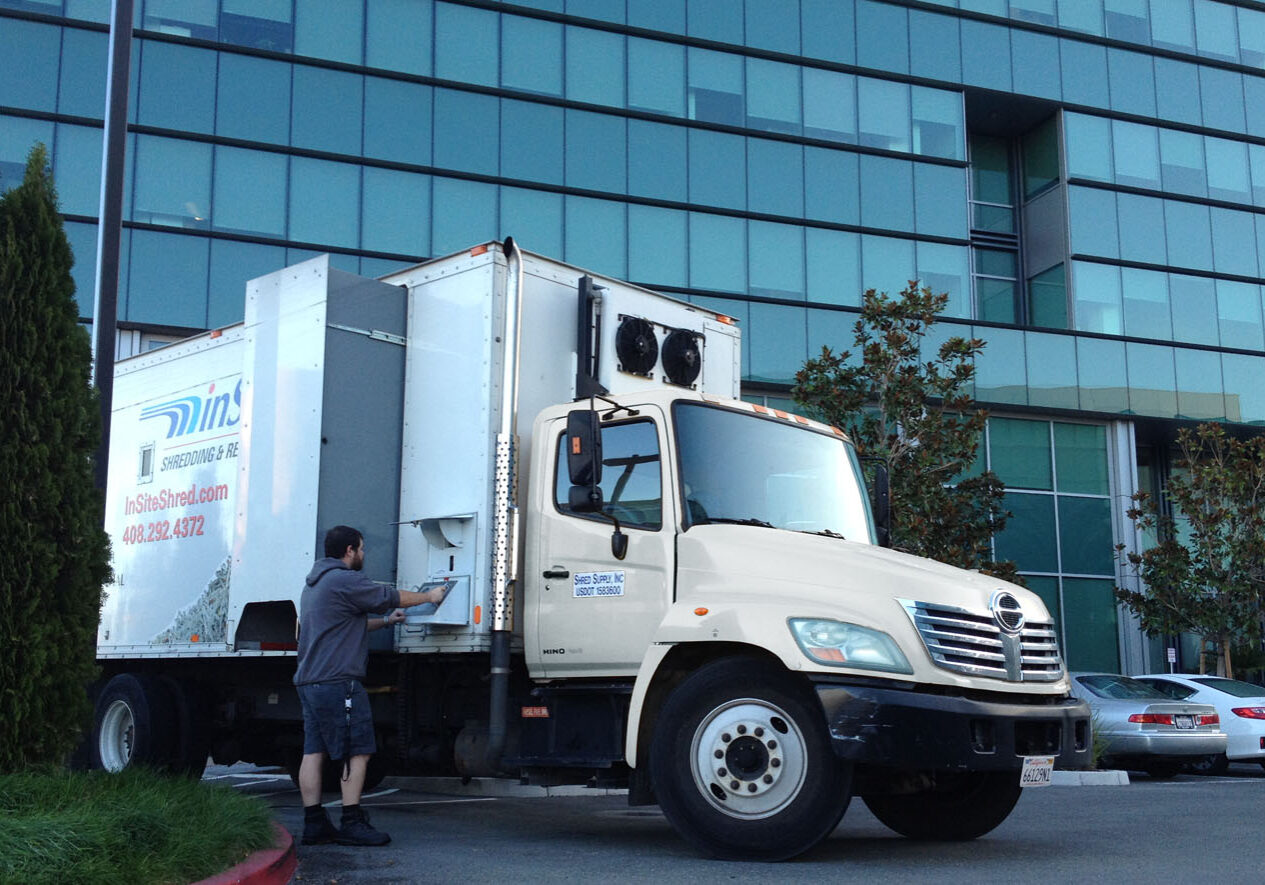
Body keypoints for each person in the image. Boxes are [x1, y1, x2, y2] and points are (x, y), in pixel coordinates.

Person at [295, 524, 447, 846]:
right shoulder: (346, 580)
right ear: (349, 550)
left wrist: (388, 622)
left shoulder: (315, 584)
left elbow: (349, 622)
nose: (363, 554)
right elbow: (389, 596)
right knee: (357, 752)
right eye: (362, 549)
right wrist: (429, 596)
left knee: (314, 752)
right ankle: (351, 821)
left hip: (310, 682)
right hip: (339, 683)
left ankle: (314, 823)